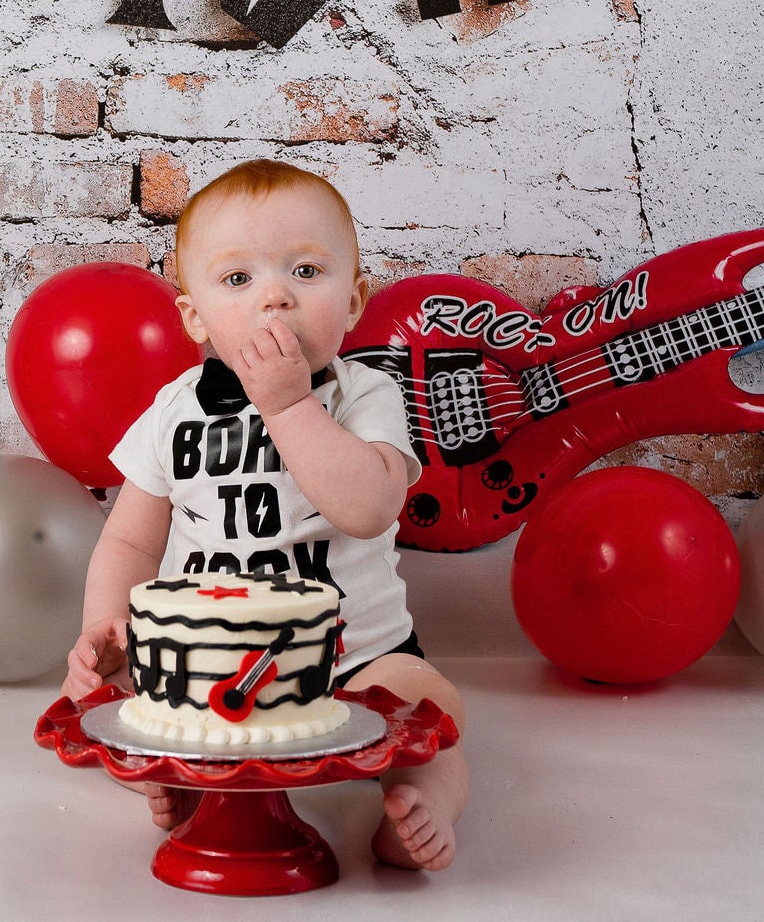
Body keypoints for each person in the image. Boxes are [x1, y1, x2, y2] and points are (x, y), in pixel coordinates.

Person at [60, 159, 468, 872]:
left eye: (305, 272)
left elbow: (369, 508)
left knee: (432, 708)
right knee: (114, 711)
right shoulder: (173, 409)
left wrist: (289, 404)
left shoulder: (363, 393)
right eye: (238, 279)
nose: (275, 297)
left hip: (355, 657)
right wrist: (107, 630)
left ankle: (422, 800)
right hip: (205, 665)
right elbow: (129, 541)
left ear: (352, 301)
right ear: (196, 317)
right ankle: (176, 781)